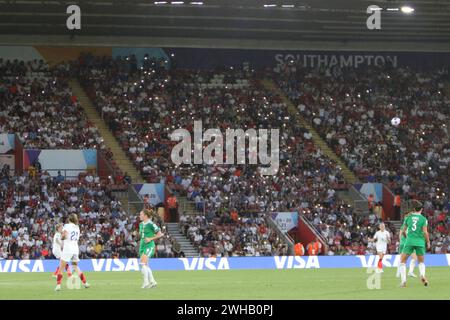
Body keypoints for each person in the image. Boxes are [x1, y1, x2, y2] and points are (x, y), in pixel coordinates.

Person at [55, 214, 90, 291]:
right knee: (75, 267)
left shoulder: (67, 226)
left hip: (68, 249)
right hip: (75, 249)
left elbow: (63, 236)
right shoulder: (77, 227)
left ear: (69, 219)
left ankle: (58, 286)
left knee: (61, 267)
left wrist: (61, 236)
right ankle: (85, 283)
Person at [399, 202, 430, 287]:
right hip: (420, 242)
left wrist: (407, 236)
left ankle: (403, 282)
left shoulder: (408, 217)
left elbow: (403, 231)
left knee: (403, 261)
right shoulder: (424, 219)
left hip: (409, 241)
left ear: (414, 209)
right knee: (421, 262)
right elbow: (425, 232)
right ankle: (422, 275)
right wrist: (428, 242)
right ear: (421, 209)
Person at [138, 209, 164, 289]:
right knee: (145, 265)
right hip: (142, 245)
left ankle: (146, 283)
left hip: (149, 245)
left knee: (142, 264)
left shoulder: (151, 224)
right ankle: (153, 282)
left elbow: (160, 234)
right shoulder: (141, 224)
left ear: (145, 215)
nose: (140, 216)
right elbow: (141, 234)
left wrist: (150, 239)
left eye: (141, 214)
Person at [396, 212, 418, 278]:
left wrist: (401, 242)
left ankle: (398, 273)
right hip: (408, 243)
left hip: (403, 243)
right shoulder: (409, 224)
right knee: (414, 257)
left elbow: (400, 234)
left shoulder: (403, 225)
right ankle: (410, 272)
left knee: (402, 259)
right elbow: (404, 233)